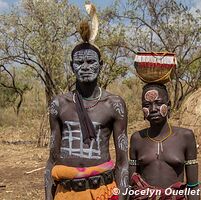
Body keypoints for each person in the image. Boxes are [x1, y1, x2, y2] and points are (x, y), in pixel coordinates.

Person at [44, 4, 128, 200]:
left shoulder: (114, 104)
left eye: (91, 62)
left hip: (102, 191)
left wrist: (123, 196)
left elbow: (123, 163)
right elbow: (52, 160)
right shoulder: (59, 104)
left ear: (101, 65)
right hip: (66, 193)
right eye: (79, 63)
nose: (85, 67)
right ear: (72, 67)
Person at [129, 83, 200, 200]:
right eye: (147, 105)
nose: (153, 109)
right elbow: (131, 186)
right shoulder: (137, 138)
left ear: (169, 105)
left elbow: (193, 186)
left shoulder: (185, 137)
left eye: (158, 103)